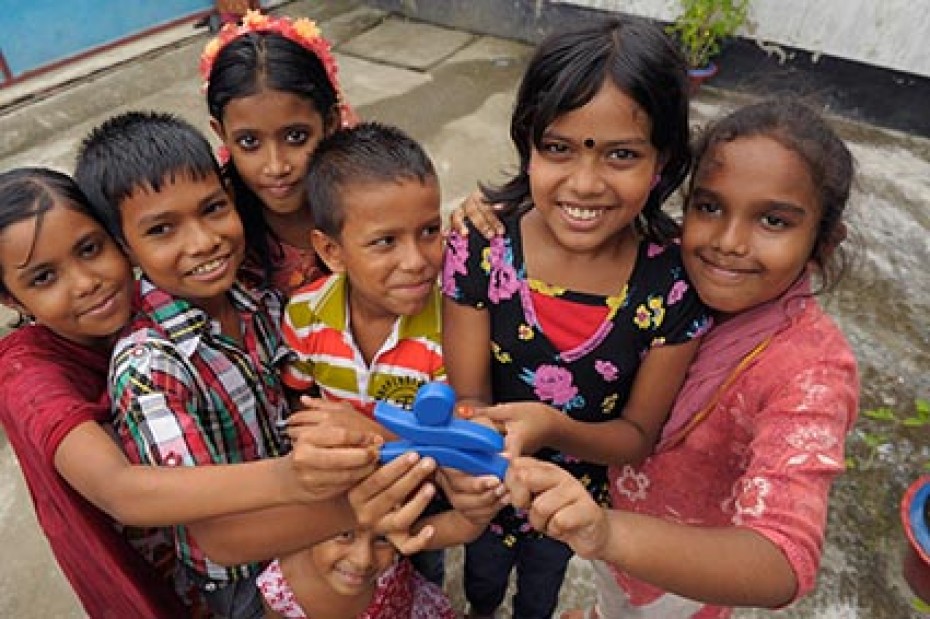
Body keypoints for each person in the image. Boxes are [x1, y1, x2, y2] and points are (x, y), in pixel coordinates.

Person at [505, 97, 860, 618]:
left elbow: (782, 558)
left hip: (685, 579)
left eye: (774, 221)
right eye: (710, 207)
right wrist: (496, 213)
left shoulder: (811, 372)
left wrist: (605, 532)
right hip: (612, 527)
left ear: (823, 244)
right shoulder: (666, 272)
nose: (729, 243)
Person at [440, 16, 711, 619]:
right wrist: (476, 452)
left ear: (662, 159)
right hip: (484, 488)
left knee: (541, 593)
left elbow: (636, 437)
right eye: (558, 148)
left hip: (575, 508)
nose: (584, 184)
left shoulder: (672, 287)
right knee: (480, 586)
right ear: (527, 142)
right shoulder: (481, 247)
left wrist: (551, 427)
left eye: (620, 155)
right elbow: (469, 396)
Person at [73, 110, 331, 618]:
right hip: (245, 581)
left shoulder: (256, 299)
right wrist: (357, 503)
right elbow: (221, 538)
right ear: (125, 250)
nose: (203, 241)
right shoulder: (149, 368)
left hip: (309, 527)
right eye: (163, 230)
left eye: (212, 208)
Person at [282, 121, 503, 588]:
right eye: (386, 241)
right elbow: (299, 405)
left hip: (427, 497)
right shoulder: (303, 316)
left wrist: (370, 433)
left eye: (428, 231)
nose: (417, 259)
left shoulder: (454, 328)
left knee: (421, 577)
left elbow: (463, 439)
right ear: (331, 251)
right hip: (344, 500)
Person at [201, 10, 356, 296]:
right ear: (221, 134)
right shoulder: (217, 227)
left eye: (296, 137)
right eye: (249, 142)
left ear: (331, 123)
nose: (276, 166)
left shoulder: (367, 194)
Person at [257, 525, 456, 619]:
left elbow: (461, 525)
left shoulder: (395, 556)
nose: (364, 561)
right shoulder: (277, 589)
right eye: (345, 534)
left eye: (382, 539)